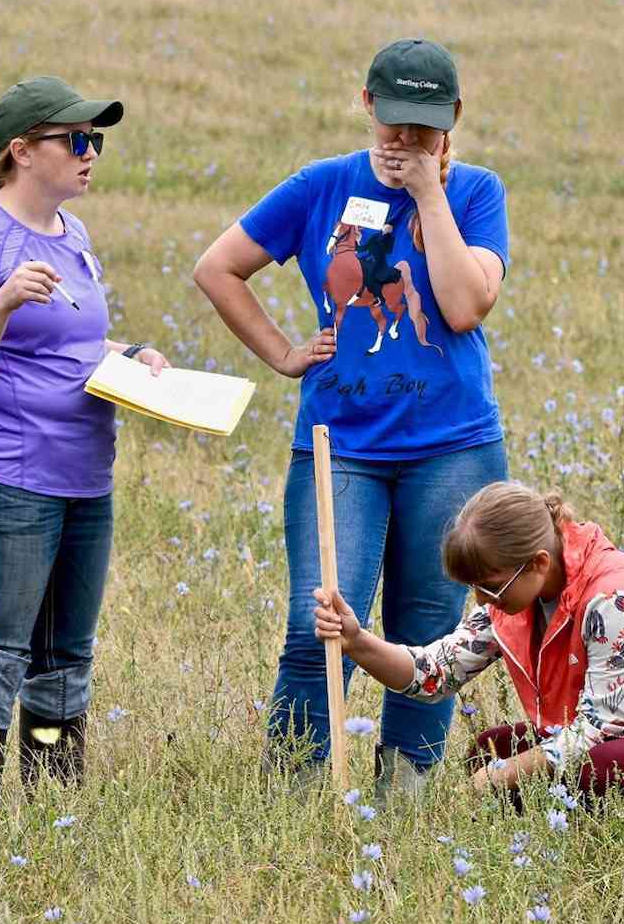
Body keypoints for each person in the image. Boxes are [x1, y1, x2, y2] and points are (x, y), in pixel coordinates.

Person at [193, 39, 509, 793]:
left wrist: (430, 195)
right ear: (367, 106)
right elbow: (218, 267)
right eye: (392, 120)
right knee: (320, 624)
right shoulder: (320, 186)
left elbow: (465, 305)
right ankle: (292, 794)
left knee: (431, 630)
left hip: (455, 447)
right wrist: (280, 352)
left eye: (424, 126)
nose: (405, 140)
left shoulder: (476, 194)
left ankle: (404, 796)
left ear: (453, 118)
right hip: (342, 446)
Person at [0, 75, 167, 807]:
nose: (92, 153)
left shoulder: (74, 235)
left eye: (97, 141)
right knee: (0, 648)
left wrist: (131, 354)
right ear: (22, 151)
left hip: (82, 475)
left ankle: (55, 797)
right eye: (78, 140)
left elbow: (70, 341)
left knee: (65, 659)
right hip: (1, 472)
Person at [312, 482, 624, 823]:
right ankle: (567, 849)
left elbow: (598, 732)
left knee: (583, 767)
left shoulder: (616, 602)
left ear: (538, 563)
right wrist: (357, 641)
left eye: (489, 587)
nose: (482, 601)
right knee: (495, 748)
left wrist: (503, 776)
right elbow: (434, 674)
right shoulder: (514, 594)